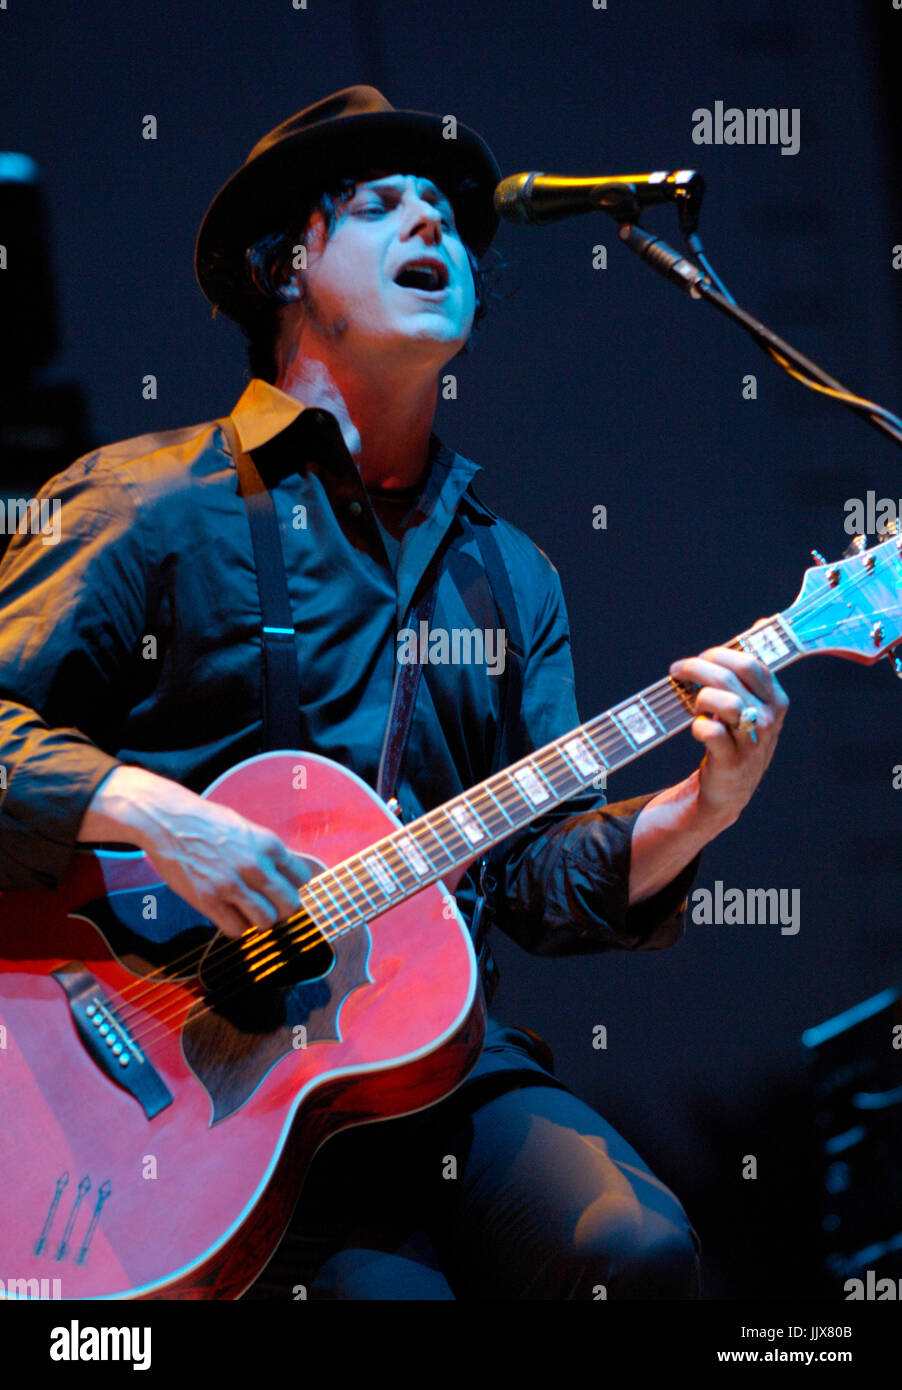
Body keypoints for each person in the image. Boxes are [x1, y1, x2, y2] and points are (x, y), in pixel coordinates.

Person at [0, 86, 788, 1299]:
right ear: (283, 269)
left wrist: (704, 805)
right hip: (161, 1074)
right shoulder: (145, 502)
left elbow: (526, 876)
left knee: (633, 1255)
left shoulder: (509, 572)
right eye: (378, 205)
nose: (431, 223)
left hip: (422, 1058)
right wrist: (157, 812)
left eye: (444, 214)